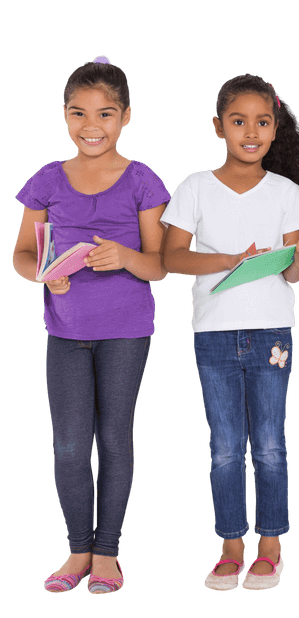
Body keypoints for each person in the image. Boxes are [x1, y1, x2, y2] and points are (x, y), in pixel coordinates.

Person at [161, 73, 299, 592]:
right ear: (218, 127)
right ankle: (231, 547)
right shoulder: (195, 187)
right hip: (214, 335)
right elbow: (171, 257)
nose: (250, 132)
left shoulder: (286, 192)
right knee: (225, 448)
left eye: (261, 122)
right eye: (238, 122)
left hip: (273, 332)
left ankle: (271, 547)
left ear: (275, 130)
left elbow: (292, 274)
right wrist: (232, 259)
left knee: (270, 445)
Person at [12, 55, 170, 596]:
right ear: (64, 116)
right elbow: (21, 255)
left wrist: (124, 256)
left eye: (105, 114)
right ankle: (77, 549)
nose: (92, 126)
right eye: (78, 113)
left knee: (113, 438)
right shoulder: (47, 179)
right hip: (65, 332)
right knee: (70, 445)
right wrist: (44, 276)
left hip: (127, 331)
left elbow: (159, 264)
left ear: (126, 117)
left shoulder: (143, 179)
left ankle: (108, 554)